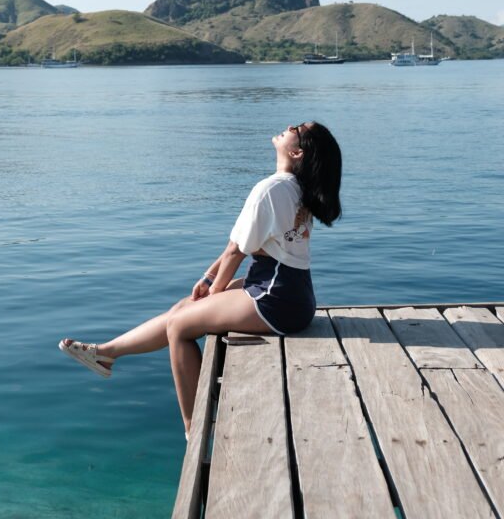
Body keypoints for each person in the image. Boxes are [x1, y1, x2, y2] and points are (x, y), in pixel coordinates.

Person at [59, 120, 342, 438]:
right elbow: (237, 244)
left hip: (274, 300)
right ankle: (107, 353)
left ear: (297, 150)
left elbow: (237, 252)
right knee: (183, 308)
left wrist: (216, 289)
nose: (289, 125)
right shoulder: (293, 188)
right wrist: (208, 279)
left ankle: (195, 429)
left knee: (179, 327)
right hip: (291, 296)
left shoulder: (272, 188)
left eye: (298, 128)